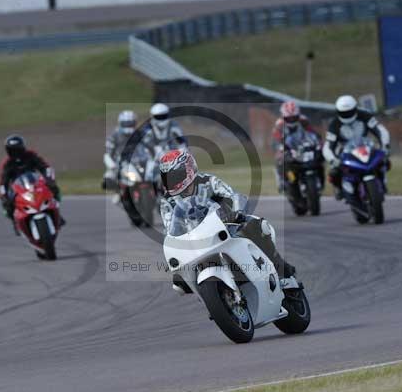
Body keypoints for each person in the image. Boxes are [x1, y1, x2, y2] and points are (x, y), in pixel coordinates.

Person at [158, 148, 298, 282]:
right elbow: (169, 230)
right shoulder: (166, 201)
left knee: (256, 226)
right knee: (179, 281)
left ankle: (281, 269)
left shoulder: (207, 181)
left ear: (188, 170)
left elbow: (233, 195)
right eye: (166, 178)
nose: (170, 182)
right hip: (195, 242)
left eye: (174, 176)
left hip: (225, 226)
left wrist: (237, 212)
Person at [323, 95, 391, 200]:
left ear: (355, 108)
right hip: (345, 151)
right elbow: (328, 146)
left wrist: (385, 145)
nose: (347, 115)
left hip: (365, 146)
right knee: (334, 172)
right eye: (343, 113)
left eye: (349, 112)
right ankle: (339, 189)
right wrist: (333, 160)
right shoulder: (334, 124)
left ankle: (382, 182)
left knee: (385, 162)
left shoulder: (365, 115)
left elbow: (380, 130)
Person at [0, 135, 63, 234]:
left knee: (53, 188)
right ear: (8, 151)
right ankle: (15, 222)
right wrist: (4, 194)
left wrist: (48, 178)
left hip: (35, 182)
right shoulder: (7, 163)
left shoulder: (31, 155)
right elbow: (3, 181)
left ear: (23, 148)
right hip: (17, 188)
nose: (16, 153)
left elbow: (44, 166)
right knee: (7, 202)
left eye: (17, 150)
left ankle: (57, 211)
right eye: (12, 150)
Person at [271, 101, 323, 193]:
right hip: (286, 146)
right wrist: (280, 146)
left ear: (298, 115)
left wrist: (318, 142)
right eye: (288, 118)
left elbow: (313, 133)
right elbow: (275, 138)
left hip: (301, 145)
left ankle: (318, 179)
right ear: (283, 116)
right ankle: (282, 180)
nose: (291, 120)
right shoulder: (279, 124)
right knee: (279, 159)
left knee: (318, 156)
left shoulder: (303, 120)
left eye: (294, 117)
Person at [102, 110, 139, 202]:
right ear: (120, 123)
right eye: (126, 123)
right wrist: (113, 166)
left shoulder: (139, 134)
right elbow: (108, 152)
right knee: (108, 180)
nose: (128, 126)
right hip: (120, 163)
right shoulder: (114, 136)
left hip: (138, 161)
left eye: (130, 123)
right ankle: (119, 192)